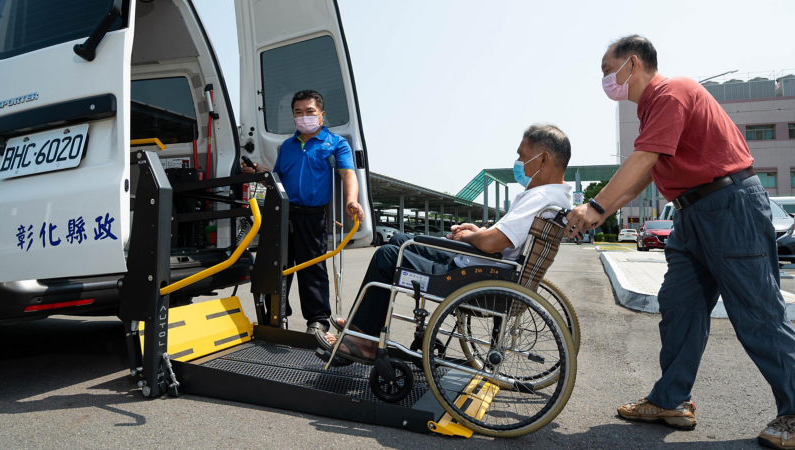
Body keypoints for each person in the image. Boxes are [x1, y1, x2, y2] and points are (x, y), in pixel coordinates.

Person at [564, 35, 795, 448]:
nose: (605, 81)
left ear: (632, 64)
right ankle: (671, 400)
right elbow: (639, 179)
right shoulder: (653, 107)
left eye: (607, 70)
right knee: (679, 308)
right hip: (692, 214)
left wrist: (596, 208)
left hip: (728, 206)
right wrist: (604, 208)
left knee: (758, 313)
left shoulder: (672, 92)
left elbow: (642, 162)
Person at [321, 124, 573, 362]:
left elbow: (496, 242)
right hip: (484, 265)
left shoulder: (539, 197)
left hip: (474, 274)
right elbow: (504, 238)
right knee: (399, 239)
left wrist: (469, 237)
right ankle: (362, 324)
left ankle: (364, 341)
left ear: (543, 159)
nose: (519, 163)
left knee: (387, 255)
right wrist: (477, 231)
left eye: (522, 156)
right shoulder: (555, 197)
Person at [242, 90, 365, 336]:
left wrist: (352, 200)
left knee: (312, 269)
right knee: (277, 266)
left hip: (313, 216)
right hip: (284, 214)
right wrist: (261, 172)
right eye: (298, 112)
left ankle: (317, 321)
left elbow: (348, 174)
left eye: (310, 112)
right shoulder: (287, 146)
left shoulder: (335, 143)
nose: (304, 117)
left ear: (322, 114)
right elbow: (279, 179)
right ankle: (275, 316)